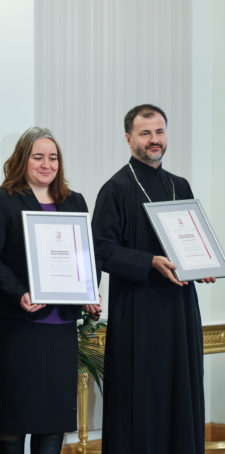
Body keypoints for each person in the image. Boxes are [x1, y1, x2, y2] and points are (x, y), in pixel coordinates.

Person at [92, 104, 212, 454]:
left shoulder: (179, 184)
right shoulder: (115, 188)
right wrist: (149, 262)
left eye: (159, 132)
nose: (154, 140)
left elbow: (193, 238)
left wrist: (201, 263)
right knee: (141, 397)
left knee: (181, 389)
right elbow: (101, 249)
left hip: (179, 309)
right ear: (129, 138)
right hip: (139, 313)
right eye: (145, 133)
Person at [0, 127, 99, 454]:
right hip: (17, 328)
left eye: (53, 158)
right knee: (13, 422)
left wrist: (90, 292)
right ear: (22, 160)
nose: (47, 164)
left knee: (53, 422)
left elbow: (85, 254)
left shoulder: (74, 201)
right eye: (38, 157)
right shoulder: (1, 200)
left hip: (59, 331)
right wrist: (18, 292)